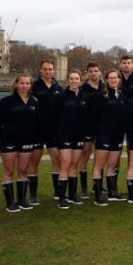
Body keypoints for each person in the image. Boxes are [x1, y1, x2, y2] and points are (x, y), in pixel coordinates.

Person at [0, 75, 41, 212]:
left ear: (30, 85)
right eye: (22, 83)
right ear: (16, 84)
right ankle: (10, 203)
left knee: (23, 171)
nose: (25, 86)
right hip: (9, 142)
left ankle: (22, 200)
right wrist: (4, 137)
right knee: (9, 171)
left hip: (27, 142)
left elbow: (38, 123)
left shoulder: (34, 102)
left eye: (27, 83)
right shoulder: (6, 101)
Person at [91, 70, 128, 205]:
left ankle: (113, 192)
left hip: (118, 136)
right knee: (99, 165)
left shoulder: (123, 95)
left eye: (115, 78)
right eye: (110, 78)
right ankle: (98, 194)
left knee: (112, 165)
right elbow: (95, 117)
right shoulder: (101, 96)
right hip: (104, 135)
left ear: (119, 79)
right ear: (106, 80)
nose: (113, 80)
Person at [29, 59, 63, 203]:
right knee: (34, 162)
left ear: (53, 70)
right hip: (37, 130)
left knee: (57, 160)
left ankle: (57, 191)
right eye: (45, 69)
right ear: (40, 70)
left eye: (50, 69)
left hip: (53, 131)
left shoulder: (58, 87)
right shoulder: (34, 86)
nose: (48, 71)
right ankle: (33, 194)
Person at [54, 70, 88, 209]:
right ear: (68, 81)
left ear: (80, 80)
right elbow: (55, 117)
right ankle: (62, 197)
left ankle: (72, 194)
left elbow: (88, 117)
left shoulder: (84, 96)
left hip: (79, 136)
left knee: (74, 164)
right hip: (65, 136)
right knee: (65, 164)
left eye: (77, 78)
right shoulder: (61, 96)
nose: (74, 81)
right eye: (72, 79)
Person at [78, 62, 105, 200]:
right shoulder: (83, 89)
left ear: (100, 72)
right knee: (85, 157)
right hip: (87, 128)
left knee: (100, 157)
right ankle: (83, 187)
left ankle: (98, 185)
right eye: (91, 71)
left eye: (96, 71)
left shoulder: (104, 87)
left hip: (101, 128)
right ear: (87, 73)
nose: (94, 73)